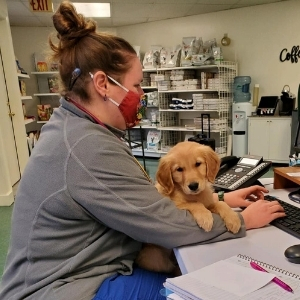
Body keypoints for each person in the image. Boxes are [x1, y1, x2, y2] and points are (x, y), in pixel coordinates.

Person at [0, 2, 286, 300]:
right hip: (64, 288)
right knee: (200, 289)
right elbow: (165, 224)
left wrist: (221, 200)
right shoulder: (87, 146)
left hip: (82, 268)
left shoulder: (75, 128)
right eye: (136, 85)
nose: (141, 96)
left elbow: (139, 202)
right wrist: (242, 221)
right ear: (103, 84)